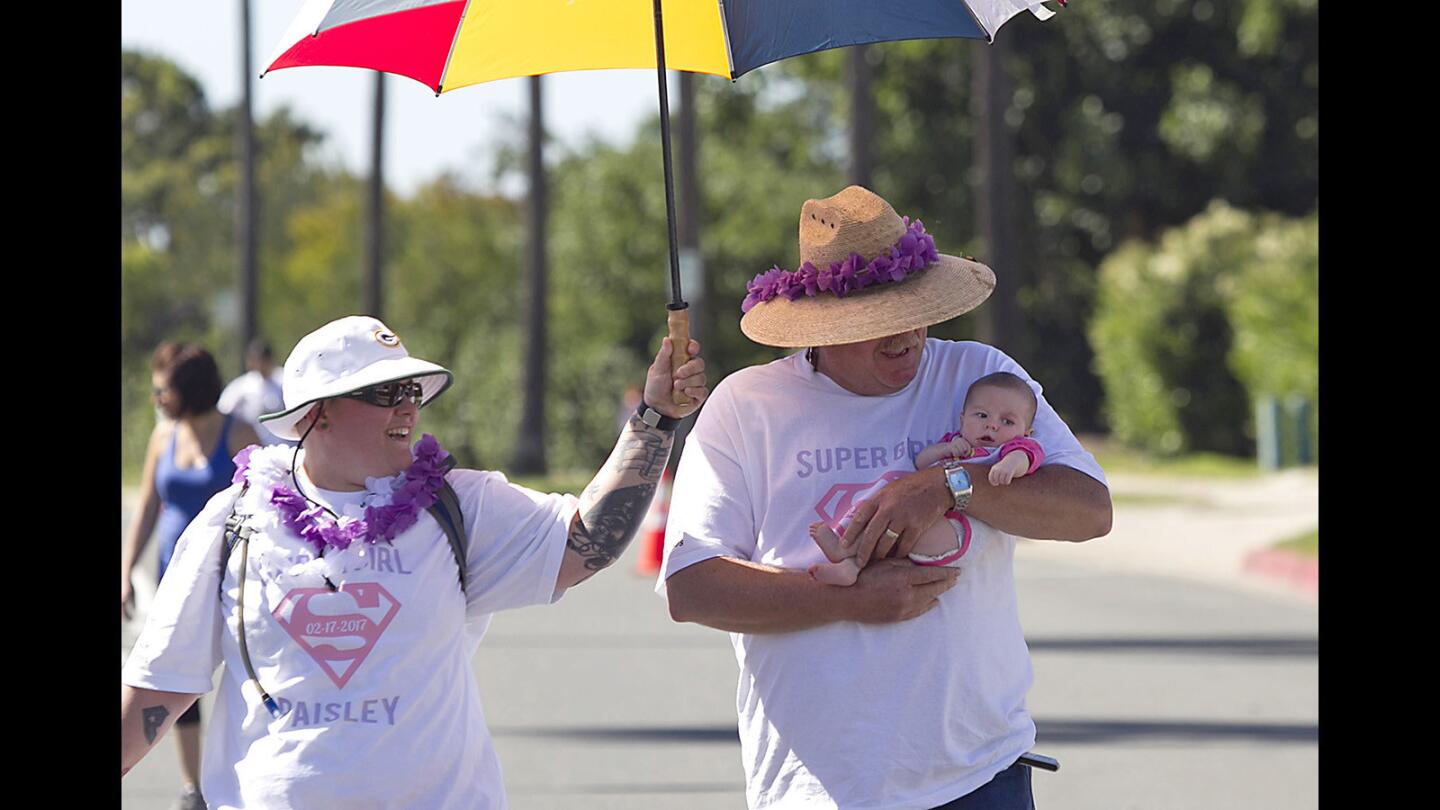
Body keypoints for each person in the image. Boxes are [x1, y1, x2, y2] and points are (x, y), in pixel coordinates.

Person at [121, 315, 707, 809]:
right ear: (315, 414)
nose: (408, 407)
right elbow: (154, 693)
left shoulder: (460, 505)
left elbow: (588, 541)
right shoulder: (234, 520)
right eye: (384, 393)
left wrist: (656, 418)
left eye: (412, 391)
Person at [659, 186, 1112, 809]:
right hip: (815, 790)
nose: (908, 334)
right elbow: (692, 586)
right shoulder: (746, 406)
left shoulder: (977, 376)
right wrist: (846, 600)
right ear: (821, 327)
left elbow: (1090, 509)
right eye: (880, 320)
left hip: (979, 777)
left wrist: (949, 486)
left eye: (916, 309)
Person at [121, 342, 262, 810]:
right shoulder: (164, 437)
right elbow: (144, 509)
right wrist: (125, 571)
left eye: (163, 391)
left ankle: (244, 779)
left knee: (239, 678)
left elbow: (269, 505)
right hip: (172, 579)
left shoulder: (239, 434)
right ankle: (191, 788)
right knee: (172, 676)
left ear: (189, 389)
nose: (157, 400)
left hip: (232, 582)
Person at [807, 371, 1046, 586]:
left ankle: (848, 554)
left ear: (1026, 432)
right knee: (882, 517)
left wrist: (1010, 465)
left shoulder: (1012, 448)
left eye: (1007, 421)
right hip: (932, 517)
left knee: (901, 530)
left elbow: (1027, 456)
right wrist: (946, 449)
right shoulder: (954, 441)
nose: (992, 426)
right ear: (962, 419)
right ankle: (848, 562)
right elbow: (923, 461)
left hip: (963, 529)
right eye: (982, 415)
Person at [218, 338, 290, 447]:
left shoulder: (284, 379)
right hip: (256, 449)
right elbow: (224, 410)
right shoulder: (242, 386)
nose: (261, 365)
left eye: (263, 360)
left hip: (287, 447)